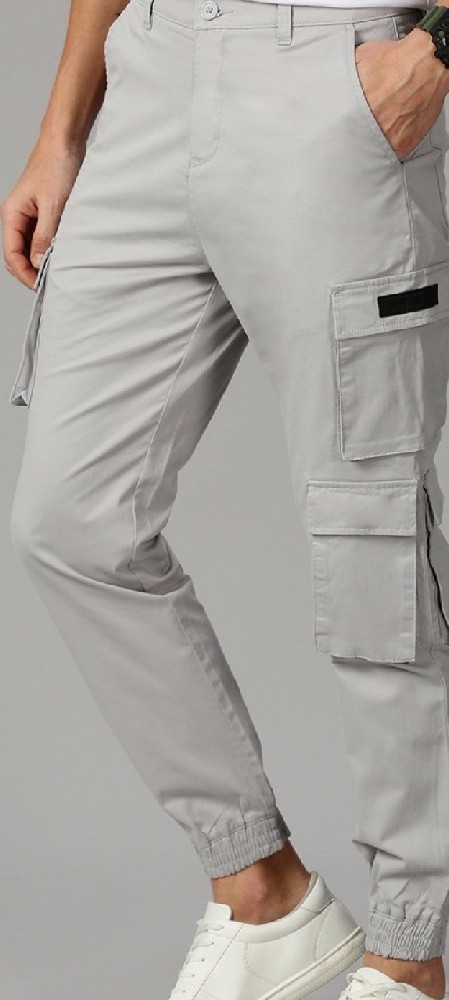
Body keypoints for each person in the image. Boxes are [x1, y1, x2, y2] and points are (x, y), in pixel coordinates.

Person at [3, 0, 449, 995]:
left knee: (365, 533)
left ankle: (408, 951)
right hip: (151, 74)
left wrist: (435, 53)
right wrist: (63, 131)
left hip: (334, 67)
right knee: (70, 520)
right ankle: (261, 890)